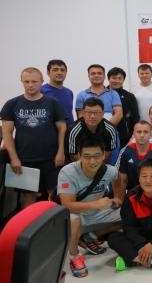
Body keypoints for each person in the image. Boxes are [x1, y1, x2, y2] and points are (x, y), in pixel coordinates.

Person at [1, 67, 67, 206]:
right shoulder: (11, 104)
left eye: (34, 81)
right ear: (22, 82)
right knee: (28, 197)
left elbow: (62, 128)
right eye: (26, 81)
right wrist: (14, 158)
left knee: (54, 195)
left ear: (42, 82)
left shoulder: (52, 103)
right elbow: (7, 133)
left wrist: (61, 152)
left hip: (51, 159)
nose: (30, 85)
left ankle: (53, 220)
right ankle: (28, 221)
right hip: (25, 159)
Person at [57, 138, 121, 277]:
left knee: (129, 213)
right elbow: (67, 206)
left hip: (97, 213)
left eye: (97, 156)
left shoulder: (110, 170)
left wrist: (118, 197)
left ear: (103, 155)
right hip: (75, 214)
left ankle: (90, 236)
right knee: (74, 220)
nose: (92, 161)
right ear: (79, 156)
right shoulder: (67, 172)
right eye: (87, 156)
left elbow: (118, 179)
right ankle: (74, 256)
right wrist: (96, 204)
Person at [113, 121, 152, 200]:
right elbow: (121, 178)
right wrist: (121, 199)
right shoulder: (125, 151)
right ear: (133, 134)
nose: (142, 135)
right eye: (139, 132)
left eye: (145, 132)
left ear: (151, 135)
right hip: (131, 193)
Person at [65, 97, 118, 163]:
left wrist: (98, 166)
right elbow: (73, 156)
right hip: (78, 165)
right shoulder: (73, 131)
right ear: (83, 113)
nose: (92, 116)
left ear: (102, 113)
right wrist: (89, 166)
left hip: (100, 164)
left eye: (96, 112)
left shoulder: (110, 129)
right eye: (89, 112)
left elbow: (107, 153)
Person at [107, 67, 140, 149]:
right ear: (108, 78)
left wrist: (134, 135)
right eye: (114, 78)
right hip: (105, 134)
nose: (117, 81)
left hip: (124, 136)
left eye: (120, 78)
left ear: (123, 80)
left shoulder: (129, 96)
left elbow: (135, 117)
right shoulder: (101, 94)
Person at [40, 59, 74, 125]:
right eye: (55, 70)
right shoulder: (41, 91)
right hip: (50, 130)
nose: (59, 72)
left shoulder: (69, 92)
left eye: (62, 70)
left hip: (69, 130)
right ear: (48, 73)